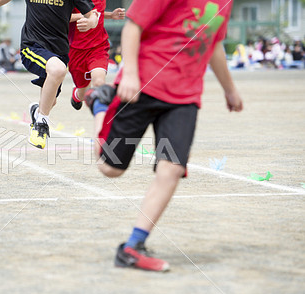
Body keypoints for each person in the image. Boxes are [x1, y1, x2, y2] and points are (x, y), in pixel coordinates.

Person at [84, 0, 243, 271]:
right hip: (143, 84)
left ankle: (132, 246)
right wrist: (131, 74)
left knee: (172, 168)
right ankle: (100, 103)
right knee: (109, 168)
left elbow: (213, 44)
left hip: (184, 97)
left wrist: (229, 89)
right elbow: (133, 25)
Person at [0, 0, 99, 149]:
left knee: (50, 101)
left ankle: (37, 112)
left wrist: (90, 22)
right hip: (32, 46)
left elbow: (93, 15)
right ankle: (41, 125)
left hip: (59, 51)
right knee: (58, 70)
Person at [68, 2, 125, 118]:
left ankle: (103, 126)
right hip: (75, 50)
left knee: (99, 83)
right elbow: (59, 17)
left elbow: (98, 11)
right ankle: (77, 95)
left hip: (98, 47)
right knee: (83, 93)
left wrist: (111, 15)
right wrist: (84, 17)